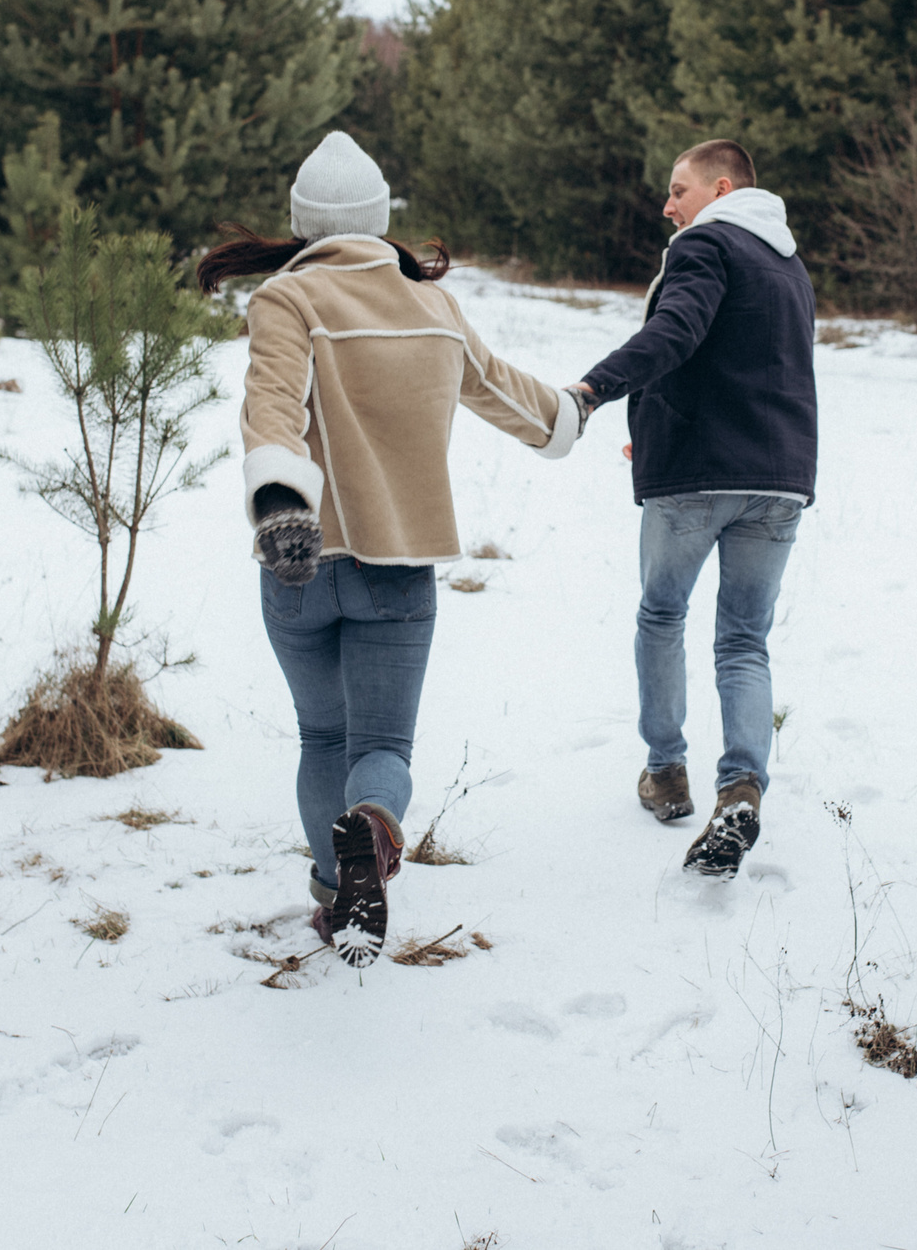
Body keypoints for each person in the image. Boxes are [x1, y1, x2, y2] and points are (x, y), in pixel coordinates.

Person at [200, 132, 582, 966]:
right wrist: (569, 413)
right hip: (399, 565)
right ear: (379, 221)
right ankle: (370, 831)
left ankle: (337, 896)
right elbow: (507, 392)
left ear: (305, 224)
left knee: (318, 737)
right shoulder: (434, 307)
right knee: (381, 750)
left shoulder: (287, 297)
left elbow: (269, 405)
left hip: (300, 557)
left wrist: (280, 500)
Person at [571, 139, 817, 879]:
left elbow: (673, 335)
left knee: (662, 614)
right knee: (745, 639)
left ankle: (666, 772)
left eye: (678, 190)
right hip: (779, 479)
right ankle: (741, 786)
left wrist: (592, 390)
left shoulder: (705, 245)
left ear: (720, 187)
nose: (667, 205)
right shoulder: (788, 264)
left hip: (697, 478)